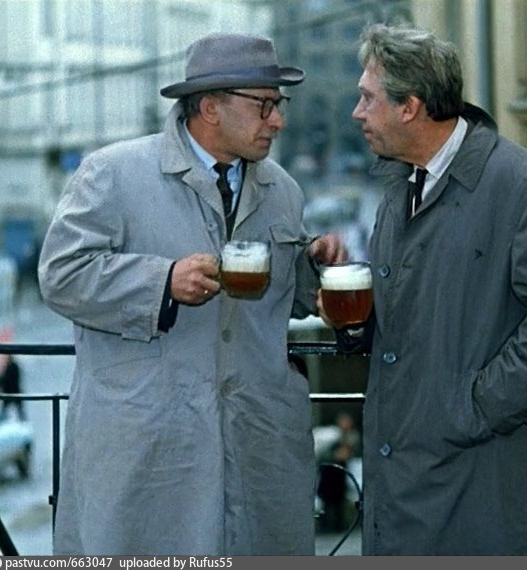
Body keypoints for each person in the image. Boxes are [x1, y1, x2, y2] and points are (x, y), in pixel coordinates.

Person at [37, 32, 347, 555]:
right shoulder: (112, 173)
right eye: (264, 105)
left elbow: (281, 298)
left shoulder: (282, 190)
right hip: (151, 451)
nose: (278, 121)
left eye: (279, 104)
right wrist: (162, 281)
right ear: (210, 108)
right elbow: (61, 274)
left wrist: (314, 270)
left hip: (257, 447)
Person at [318, 23, 527, 555]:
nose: (357, 113)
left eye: (368, 98)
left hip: (486, 492)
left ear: (410, 107)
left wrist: (470, 406)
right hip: (408, 489)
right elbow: (417, 312)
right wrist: (354, 323)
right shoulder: (401, 184)